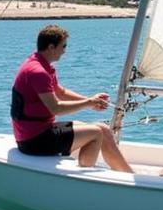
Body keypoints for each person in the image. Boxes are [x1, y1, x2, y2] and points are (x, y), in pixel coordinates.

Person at [11, 24, 132, 173]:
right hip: (33, 140)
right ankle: (87, 177)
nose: (64, 51)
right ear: (51, 47)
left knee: (103, 128)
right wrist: (88, 103)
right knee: (95, 134)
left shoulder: (43, 65)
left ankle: (128, 174)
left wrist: (91, 100)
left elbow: (60, 92)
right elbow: (56, 108)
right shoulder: (37, 72)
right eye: (63, 46)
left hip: (43, 131)